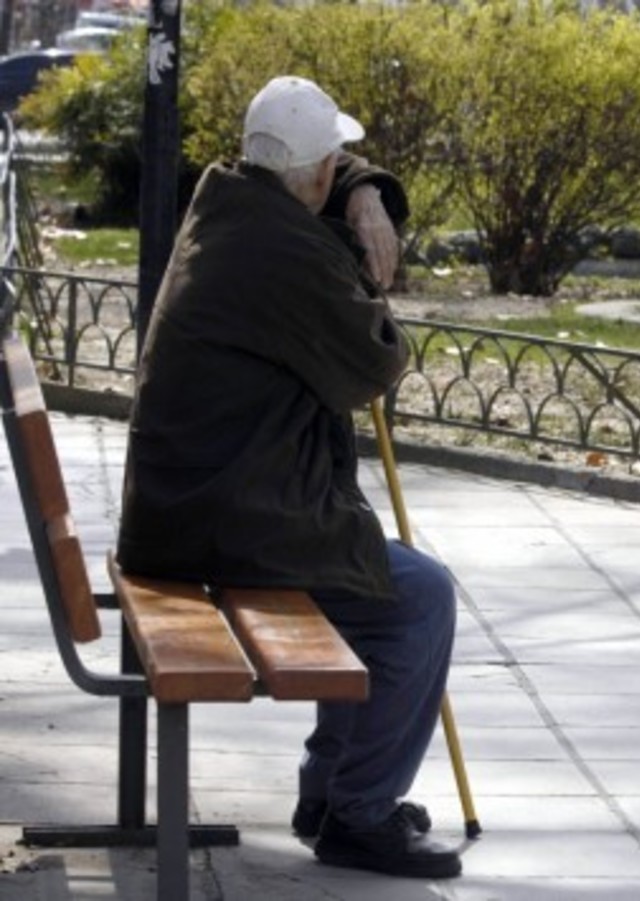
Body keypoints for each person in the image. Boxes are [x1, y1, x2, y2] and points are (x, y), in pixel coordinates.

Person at [115, 75, 462, 880]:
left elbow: (326, 187)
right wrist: (365, 243)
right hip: (221, 522)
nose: (342, 171)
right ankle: (358, 812)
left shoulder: (233, 201)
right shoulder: (281, 254)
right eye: (336, 163)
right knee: (415, 601)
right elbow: (372, 362)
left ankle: (334, 793)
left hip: (198, 504)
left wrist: (366, 190)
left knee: (373, 576)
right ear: (311, 176)